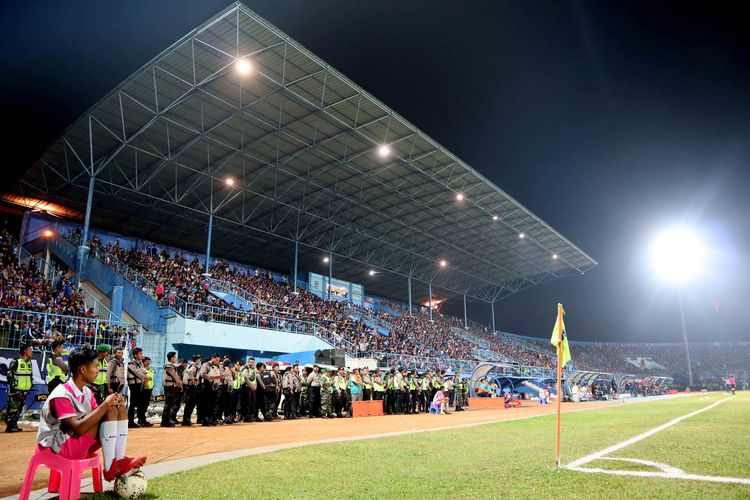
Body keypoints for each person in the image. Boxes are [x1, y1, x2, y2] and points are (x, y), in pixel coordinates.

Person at [36, 346, 147, 482]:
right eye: (95, 367)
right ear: (82, 369)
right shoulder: (61, 395)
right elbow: (77, 429)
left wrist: (115, 405)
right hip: (55, 446)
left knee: (120, 408)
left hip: (73, 441)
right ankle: (110, 467)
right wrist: (106, 404)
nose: (98, 371)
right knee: (109, 409)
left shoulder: (86, 392)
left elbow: (98, 416)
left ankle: (118, 460)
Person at [5, 344, 33, 432]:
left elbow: (30, 375)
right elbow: (9, 373)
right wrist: (14, 384)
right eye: (30, 350)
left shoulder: (29, 362)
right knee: (13, 408)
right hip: (16, 390)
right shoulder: (16, 361)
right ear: (25, 351)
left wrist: (30, 384)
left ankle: (14, 425)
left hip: (24, 390)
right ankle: (10, 426)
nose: (31, 352)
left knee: (19, 409)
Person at [126, 348, 151, 428]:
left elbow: (143, 371)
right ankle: (130, 421)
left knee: (141, 404)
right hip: (133, 385)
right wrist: (145, 377)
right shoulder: (131, 364)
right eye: (140, 354)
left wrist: (145, 377)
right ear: (135, 355)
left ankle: (142, 419)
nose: (141, 355)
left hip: (140, 385)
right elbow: (136, 372)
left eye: (141, 353)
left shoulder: (140, 364)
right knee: (132, 404)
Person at [198, 354, 222, 426]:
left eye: (219, 360)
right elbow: (202, 374)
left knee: (213, 403)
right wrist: (211, 377)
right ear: (212, 358)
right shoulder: (206, 365)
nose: (218, 362)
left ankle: (211, 419)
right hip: (207, 386)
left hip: (215, 387)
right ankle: (205, 420)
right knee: (206, 404)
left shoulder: (218, 366)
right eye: (217, 360)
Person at [161, 351, 183, 427]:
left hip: (172, 387)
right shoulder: (169, 366)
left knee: (170, 404)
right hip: (169, 387)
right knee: (168, 404)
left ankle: (167, 420)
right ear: (171, 358)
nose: (175, 358)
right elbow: (174, 376)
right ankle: (165, 421)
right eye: (174, 357)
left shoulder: (172, 366)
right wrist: (179, 383)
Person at [181, 355, 201, 426]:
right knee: (190, 404)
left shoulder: (189, 365)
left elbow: (184, 372)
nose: (199, 361)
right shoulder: (193, 366)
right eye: (199, 360)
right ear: (196, 360)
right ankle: (186, 420)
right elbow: (189, 372)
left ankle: (186, 419)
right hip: (191, 387)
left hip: (188, 386)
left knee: (189, 404)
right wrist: (192, 378)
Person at [241, 358, 258, 422]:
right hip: (247, 388)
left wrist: (255, 386)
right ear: (248, 362)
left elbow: (255, 379)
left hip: (253, 388)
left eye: (253, 362)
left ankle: (251, 416)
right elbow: (246, 378)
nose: (251, 363)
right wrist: (251, 386)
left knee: (253, 403)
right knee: (247, 403)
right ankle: (246, 417)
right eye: (250, 362)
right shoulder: (246, 369)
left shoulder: (254, 369)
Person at [141, 357, 154, 424]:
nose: (148, 362)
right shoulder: (142, 369)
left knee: (146, 405)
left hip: (149, 389)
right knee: (142, 405)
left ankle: (143, 419)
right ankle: (141, 419)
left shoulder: (151, 370)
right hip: (144, 389)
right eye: (146, 361)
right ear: (143, 362)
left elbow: (151, 380)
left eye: (149, 361)